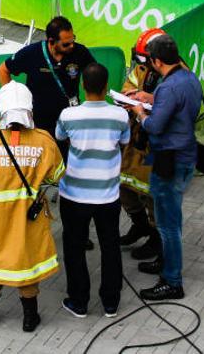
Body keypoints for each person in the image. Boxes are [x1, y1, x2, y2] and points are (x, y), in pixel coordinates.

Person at [0, 82, 65, 332]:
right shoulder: (45, 141)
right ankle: (30, 318)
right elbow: (56, 177)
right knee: (26, 263)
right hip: (29, 217)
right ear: (30, 110)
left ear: (0, 110)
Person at [0, 15, 97, 250]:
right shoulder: (32, 53)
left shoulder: (80, 53)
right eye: (66, 43)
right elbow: (4, 69)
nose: (71, 46)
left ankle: (76, 233)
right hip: (37, 130)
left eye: (72, 41)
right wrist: (10, 100)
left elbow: (94, 74)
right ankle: (27, 230)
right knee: (32, 178)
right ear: (51, 41)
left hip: (68, 128)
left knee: (70, 179)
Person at [130, 34, 202, 300]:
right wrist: (151, 98)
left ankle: (172, 279)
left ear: (157, 61)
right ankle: (166, 263)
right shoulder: (188, 78)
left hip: (169, 159)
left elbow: (155, 125)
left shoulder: (168, 88)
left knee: (168, 223)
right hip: (185, 154)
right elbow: (176, 109)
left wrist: (141, 112)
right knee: (172, 217)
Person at [55, 63, 130, 318]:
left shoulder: (68, 115)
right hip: (108, 194)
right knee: (110, 245)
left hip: (74, 194)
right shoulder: (120, 115)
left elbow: (60, 137)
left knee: (74, 247)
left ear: (83, 86)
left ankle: (79, 300)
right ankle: (111, 302)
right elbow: (125, 142)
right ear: (106, 86)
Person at [119, 29, 167, 273]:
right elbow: (130, 83)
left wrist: (150, 101)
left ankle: (157, 240)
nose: (143, 65)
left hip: (155, 144)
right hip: (134, 138)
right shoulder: (143, 69)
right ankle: (139, 225)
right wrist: (129, 95)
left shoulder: (174, 78)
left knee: (152, 194)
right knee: (123, 184)